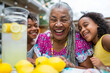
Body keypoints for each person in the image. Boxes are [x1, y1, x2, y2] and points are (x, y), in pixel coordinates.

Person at [33, 2, 93, 68]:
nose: (58, 24)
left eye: (63, 20)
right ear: (49, 22)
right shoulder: (42, 39)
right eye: (53, 20)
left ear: (70, 22)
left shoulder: (79, 41)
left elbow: (89, 69)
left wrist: (70, 65)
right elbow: (36, 65)